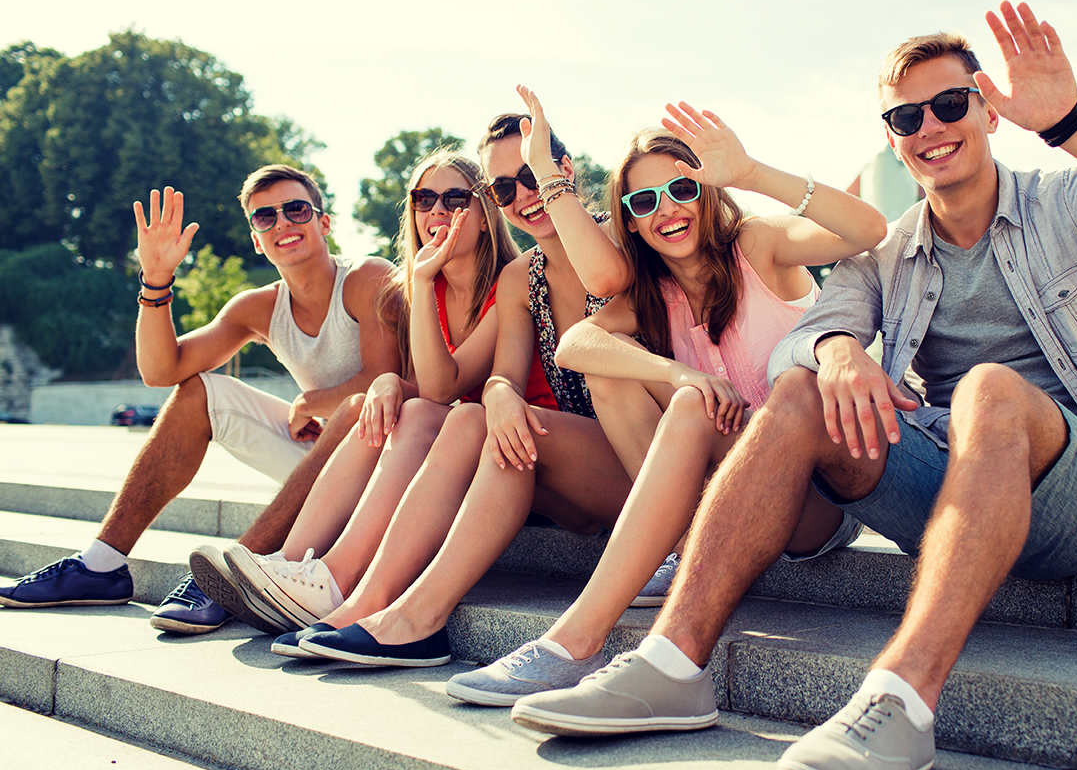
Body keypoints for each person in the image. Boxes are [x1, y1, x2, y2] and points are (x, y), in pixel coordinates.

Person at [506, 1, 1077, 770]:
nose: (930, 126)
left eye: (950, 105)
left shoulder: (1067, 201)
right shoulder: (892, 251)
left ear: (989, 111)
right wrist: (837, 349)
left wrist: (1072, 124)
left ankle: (900, 699)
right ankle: (672, 665)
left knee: (992, 389)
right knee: (797, 391)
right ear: (892, 134)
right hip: (952, 485)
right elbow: (810, 331)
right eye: (905, 115)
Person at [445, 103, 886, 705]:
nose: (666, 210)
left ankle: (571, 643)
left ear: (705, 191)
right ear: (629, 219)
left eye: (680, 189)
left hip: (816, 497)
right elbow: (578, 343)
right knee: (618, 376)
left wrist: (751, 172)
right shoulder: (655, 293)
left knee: (684, 406)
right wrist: (678, 371)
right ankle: (677, 552)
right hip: (735, 495)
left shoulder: (756, 245)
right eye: (643, 201)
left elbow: (868, 230)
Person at [267, 102, 635, 666]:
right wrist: (497, 391)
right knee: (464, 415)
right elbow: (476, 384)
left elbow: (607, 281)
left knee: (454, 416)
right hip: (557, 474)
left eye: (534, 175)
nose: (523, 196)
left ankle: (401, 611)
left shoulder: (624, 238)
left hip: (640, 468)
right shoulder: (522, 276)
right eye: (505, 186)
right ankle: (367, 603)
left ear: (565, 167)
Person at [0, 165, 403, 635]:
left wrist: (310, 401)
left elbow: (383, 378)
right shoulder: (256, 308)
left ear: (324, 222)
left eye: (296, 210)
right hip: (327, 463)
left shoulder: (368, 277)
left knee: (355, 410)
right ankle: (101, 564)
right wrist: (156, 278)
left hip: (394, 459)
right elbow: (161, 370)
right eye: (264, 218)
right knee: (198, 390)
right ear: (256, 238)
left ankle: (228, 576)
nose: (282, 224)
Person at [189, 148, 522, 633]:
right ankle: (294, 564)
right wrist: (390, 379)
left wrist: (421, 289)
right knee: (398, 410)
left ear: (487, 214)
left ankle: (329, 578)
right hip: (464, 444)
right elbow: (429, 392)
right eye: (424, 199)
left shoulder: (507, 282)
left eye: (455, 198)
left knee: (426, 413)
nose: (438, 212)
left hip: (514, 452)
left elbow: (443, 386)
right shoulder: (419, 291)